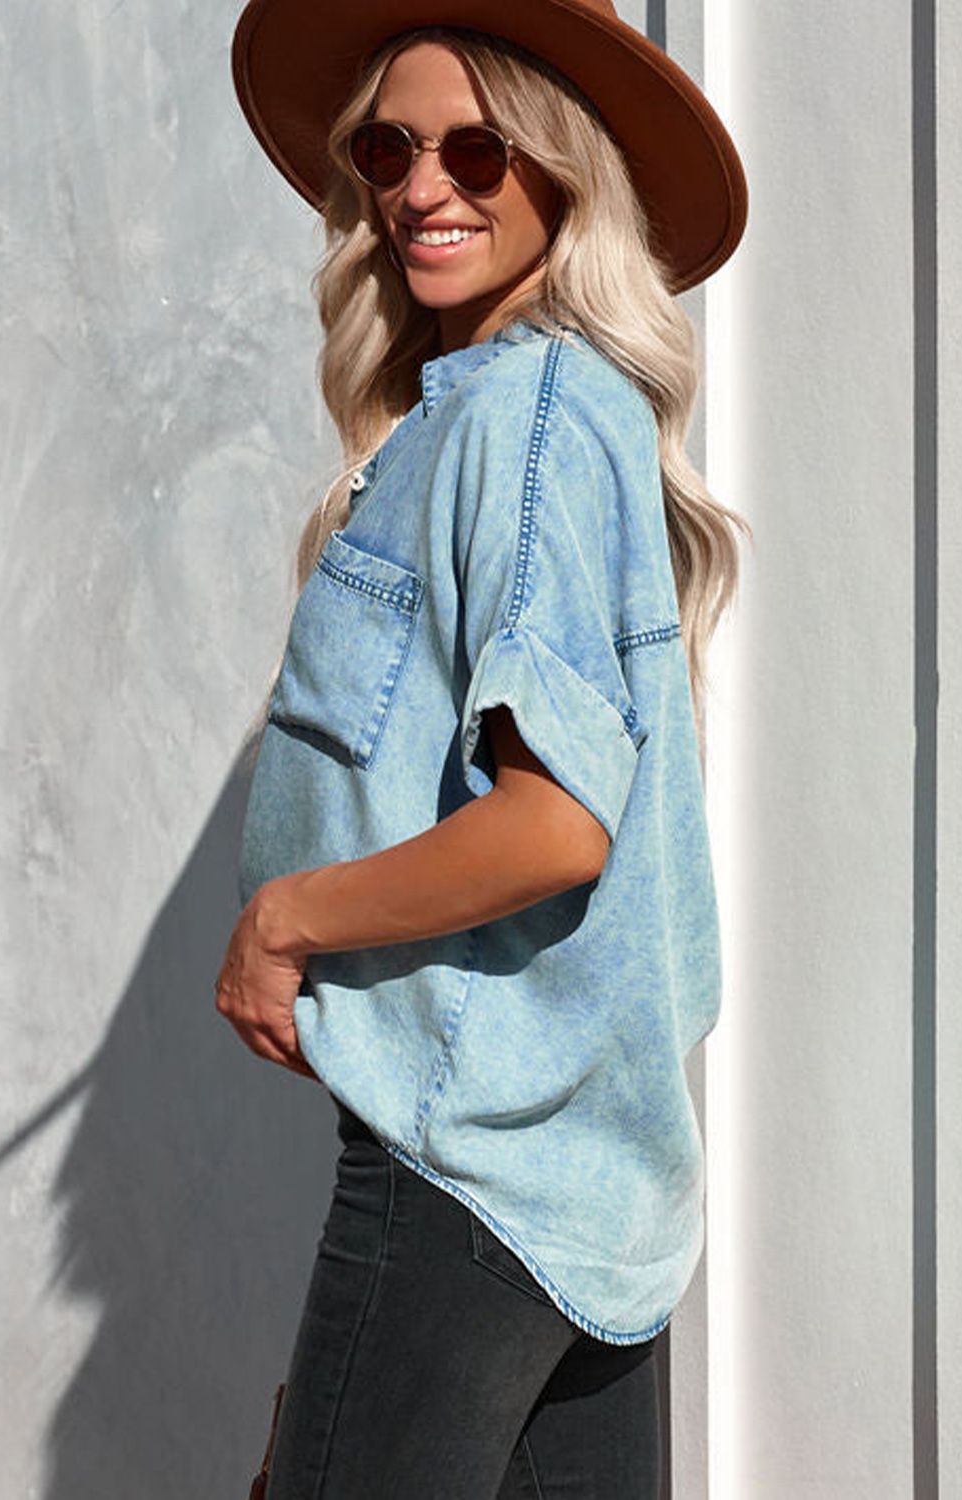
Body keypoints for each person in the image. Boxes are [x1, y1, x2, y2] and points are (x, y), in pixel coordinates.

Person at [218, 3, 749, 1495]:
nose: (422, 188)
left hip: (463, 1171)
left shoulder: (525, 421)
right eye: (389, 149)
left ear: (563, 174)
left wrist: (282, 921)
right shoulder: (525, 414)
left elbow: (553, 824)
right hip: (578, 1187)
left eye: (477, 151)